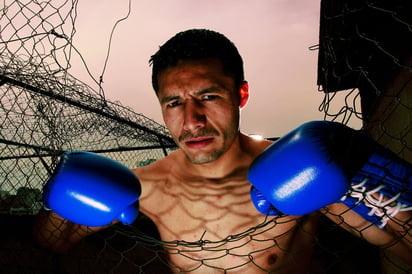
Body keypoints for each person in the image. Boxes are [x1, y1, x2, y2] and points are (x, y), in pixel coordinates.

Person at [34, 29, 411, 273]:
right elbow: (52, 242)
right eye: (173, 103)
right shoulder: (148, 184)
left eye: (208, 97)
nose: (192, 120)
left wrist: (362, 165)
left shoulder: (299, 171)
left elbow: (404, 244)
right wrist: (57, 197)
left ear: (240, 95)